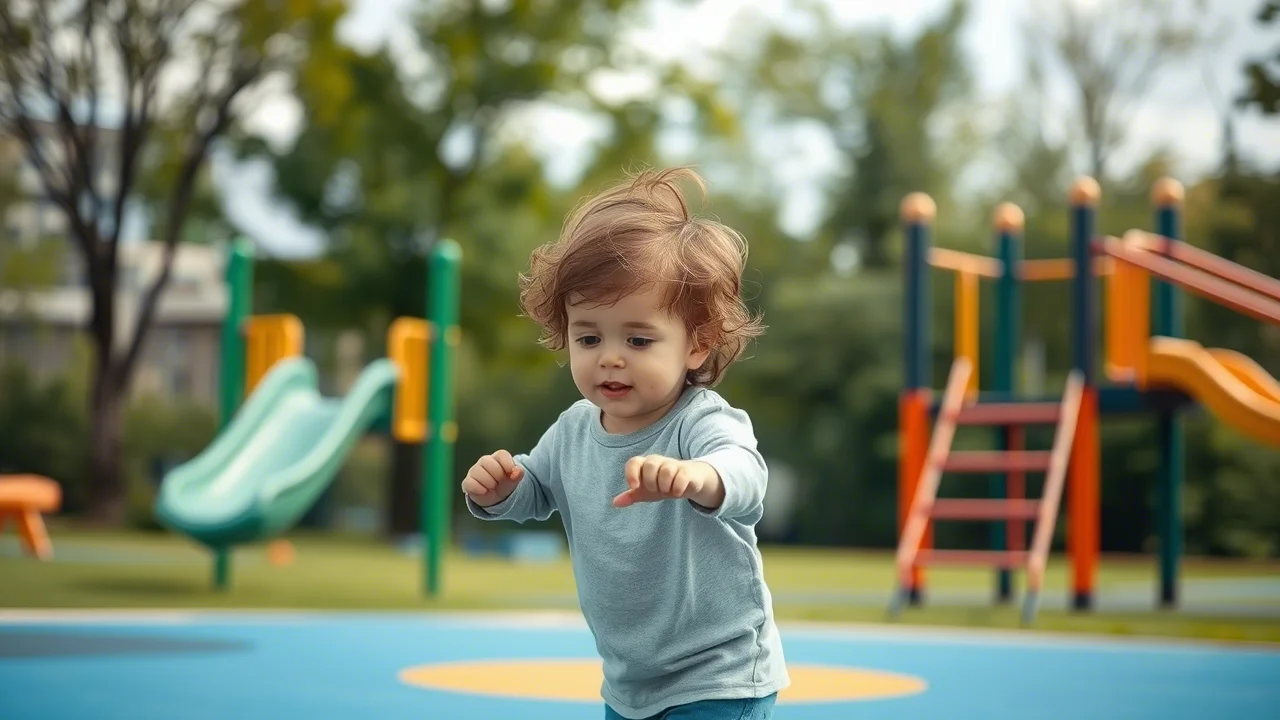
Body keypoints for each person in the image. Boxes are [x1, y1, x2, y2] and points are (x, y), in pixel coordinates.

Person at [461, 166, 789, 720]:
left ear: (696, 345)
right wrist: (499, 490)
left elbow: (745, 474)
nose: (609, 356)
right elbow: (536, 488)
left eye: (638, 339)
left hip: (718, 673)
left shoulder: (700, 422)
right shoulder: (572, 428)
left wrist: (698, 477)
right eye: (588, 337)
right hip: (630, 682)